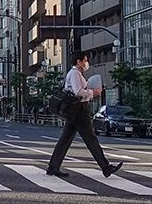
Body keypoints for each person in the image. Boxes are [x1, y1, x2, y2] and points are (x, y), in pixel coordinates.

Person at [46, 50, 123, 179]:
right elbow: (78, 91)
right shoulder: (75, 73)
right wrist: (93, 93)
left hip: (75, 110)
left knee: (65, 140)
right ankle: (105, 167)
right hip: (79, 110)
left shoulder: (76, 73)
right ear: (79, 61)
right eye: (85, 60)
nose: (87, 63)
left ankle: (53, 167)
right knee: (90, 139)